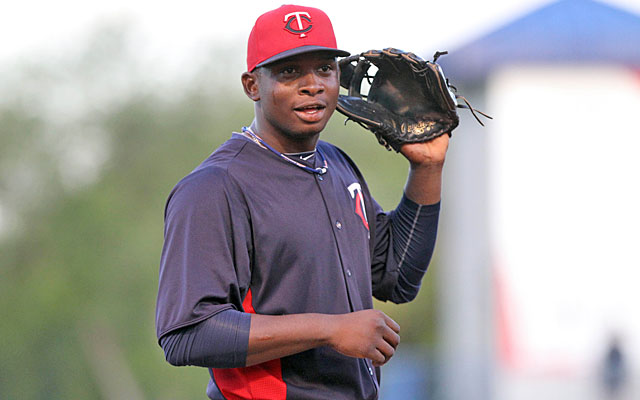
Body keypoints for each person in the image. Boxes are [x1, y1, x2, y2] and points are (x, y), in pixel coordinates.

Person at [155, 4, 450, 400]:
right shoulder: (215, 187)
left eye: (325, 69)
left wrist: (428, 168)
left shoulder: (337, 165)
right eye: (289, 71)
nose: (312, 84)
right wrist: (330, 329)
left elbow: (395, 276)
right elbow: (186, 334)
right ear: (252, 85)